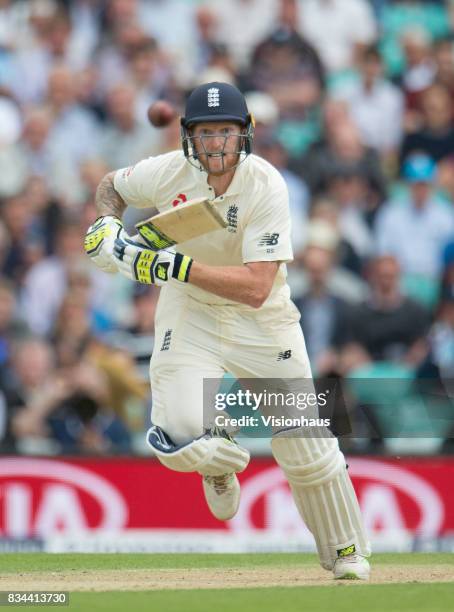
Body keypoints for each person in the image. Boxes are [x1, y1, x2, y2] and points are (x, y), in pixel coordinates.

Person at [83, 81, 371, 580]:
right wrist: (108, 224)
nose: (216, 143)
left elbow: (258, 287)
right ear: (189, 138)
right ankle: (216, 454)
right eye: (206, 132)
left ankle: (346, 550)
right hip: (190, 313)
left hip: (263, 321)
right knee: (175, 433)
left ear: (245, 135)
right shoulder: (168, 171)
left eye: (226, 131)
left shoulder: (267, 185)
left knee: (306, 445)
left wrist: (171, 268)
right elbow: (111, 184)